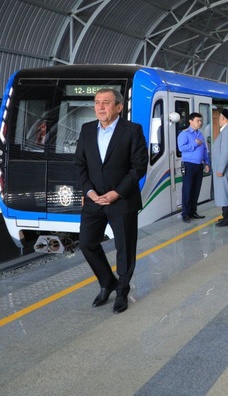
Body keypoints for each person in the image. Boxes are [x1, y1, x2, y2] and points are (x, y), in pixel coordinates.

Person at [75, 88, 148, 314]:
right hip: (94, 200)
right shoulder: (87, 130)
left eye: (106, 102)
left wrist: (117, 192)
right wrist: (89, 192)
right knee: (87, 243)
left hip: (122, 200)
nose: (100, 107)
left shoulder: (132, 130)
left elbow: (138, 167)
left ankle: (122, 291)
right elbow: (79, 165)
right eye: (97, 102)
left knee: (124, 248)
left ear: (119, 107)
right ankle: (108, 281)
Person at [177, 113, 210, 223]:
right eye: (198, 121)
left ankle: (193, 211)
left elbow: (205, 149)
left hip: (198, 165)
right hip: (188, 165)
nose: (200, 123)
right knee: (187, 189)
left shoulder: (200, 134)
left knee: (196, 189)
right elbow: (181, 148)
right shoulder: (184, 134)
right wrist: (194, 144)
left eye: (201, 121)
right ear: (191, 121)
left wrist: (206, 163)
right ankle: (185, 214)